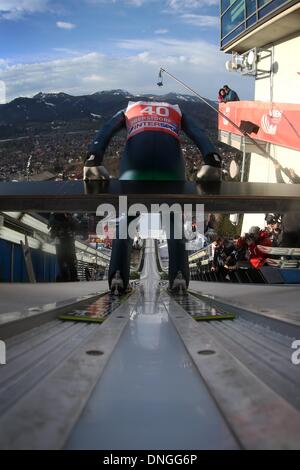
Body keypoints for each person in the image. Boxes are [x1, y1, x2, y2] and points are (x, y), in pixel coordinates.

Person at [84, 100, 222, 293]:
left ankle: (118, 277)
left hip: (135, 165)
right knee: (173, 221)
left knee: (126, 220)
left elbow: (106, 130)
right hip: (171, 165)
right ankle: (179, 277)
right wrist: (212, 160)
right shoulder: (176, 110)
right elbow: (198, 133)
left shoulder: (128, 109)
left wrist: (93, 159)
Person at [48, 213, 79, 282]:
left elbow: (51, 230)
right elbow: (76, 226)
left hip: (60, 242)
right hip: (68, 241)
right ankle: (72, 278)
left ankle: (65, 277)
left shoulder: (54, 217)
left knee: (61, 260)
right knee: (70, 261)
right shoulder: (71, 218)